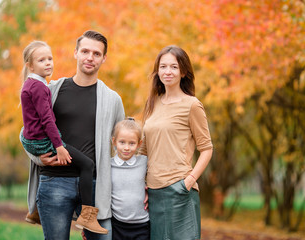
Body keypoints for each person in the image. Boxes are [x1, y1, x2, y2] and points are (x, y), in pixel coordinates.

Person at [21, 30, 125, 240]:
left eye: (96, 53)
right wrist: (38, 158)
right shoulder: (52, 90)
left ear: (104, 58)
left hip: (95, 186)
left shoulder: (112, 100)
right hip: (54, 183)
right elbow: (27, 131)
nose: (90, 57)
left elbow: (122, 147)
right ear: (75, 53)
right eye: (85, 51)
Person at [140, 45, 213, 240]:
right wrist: (142, 185)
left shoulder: (192, 105)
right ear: (157, 71)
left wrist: (188, 181)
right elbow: (144, 150)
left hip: (179, 189)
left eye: (173, 67)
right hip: (153, 194)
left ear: (183, 71)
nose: (167, 72)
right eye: (163, 67)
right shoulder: (152, 103)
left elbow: (206, 148)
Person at [110, 118, 149, 240]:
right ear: (114, 141)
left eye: (132, 143)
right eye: (122, 142)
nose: (126, 148)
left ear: (139, 143)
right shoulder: (108, 165)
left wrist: (148, 189)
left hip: (142, 225)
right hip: (117, 224)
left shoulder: (143, 162)